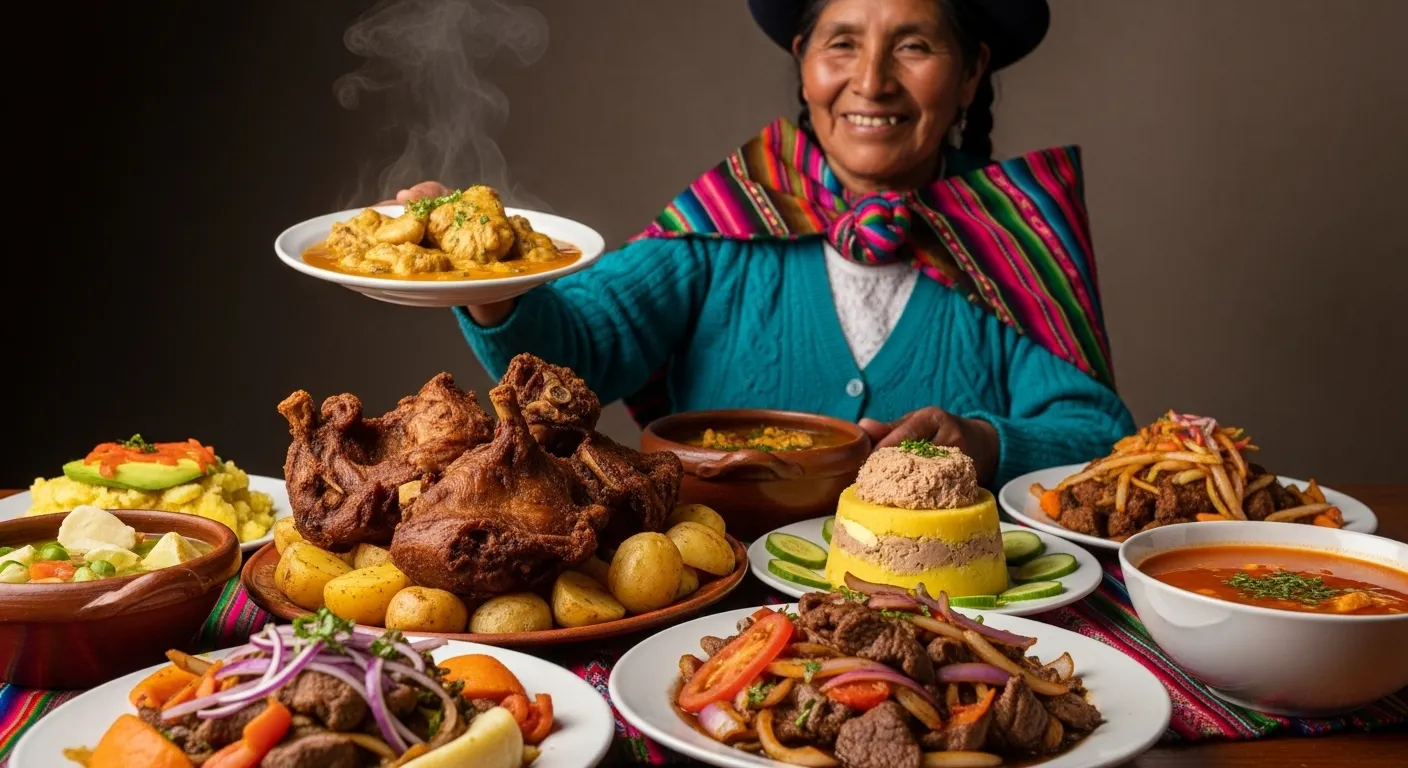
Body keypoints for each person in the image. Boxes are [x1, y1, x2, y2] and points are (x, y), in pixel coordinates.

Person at [389, 0, 1135, 490]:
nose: (871, 82)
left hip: (949, 620)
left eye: (913, 45)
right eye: (842, 43)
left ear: (971, 73)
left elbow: (1104, 440)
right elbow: (575, 351)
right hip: (714, 620)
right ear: (805, 59)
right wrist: (482, 275)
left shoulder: (1012, 236)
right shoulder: (732, 216)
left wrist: (986, 442)